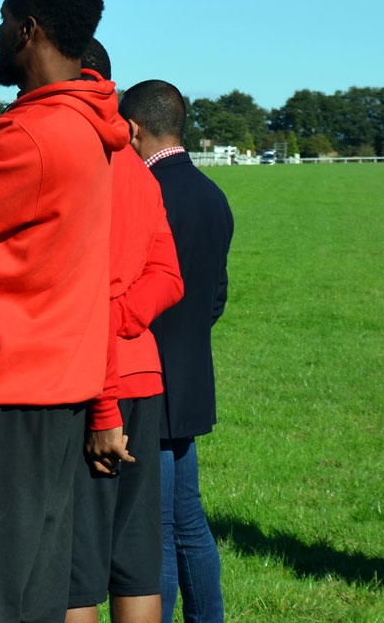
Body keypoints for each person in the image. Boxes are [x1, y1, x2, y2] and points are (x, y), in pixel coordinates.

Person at [0, 0, 128, 623]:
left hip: (1, 397)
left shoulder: (26, 136)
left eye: (2, 20)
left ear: (29, 29)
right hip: (60, 397)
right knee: (34, 596)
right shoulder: (89, 126)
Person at [68, 42, 184, 623]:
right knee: (136, 563)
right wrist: (123, 319)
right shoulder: (139, 171)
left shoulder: (68, 151)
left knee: (74, 573)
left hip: (89, 382)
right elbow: (168, 277)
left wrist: (102, 323)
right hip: (143, 376)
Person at [118, 79, 233, 623]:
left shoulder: (146, 192)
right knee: (188, 521)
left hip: (149, 379)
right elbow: (216, 298)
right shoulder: (213, 193)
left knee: (154, 531)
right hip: (191, 379)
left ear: (134, 130)